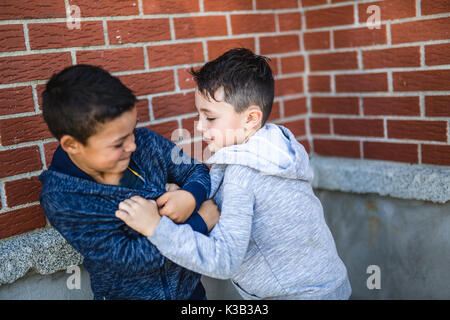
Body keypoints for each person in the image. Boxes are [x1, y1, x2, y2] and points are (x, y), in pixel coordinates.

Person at [115, 48, 352, 300]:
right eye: (199, 114)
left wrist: (156, 228)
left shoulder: (243, 172)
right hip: (326, 285)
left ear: (250, 118)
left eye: (210, 117)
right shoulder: (272, 146)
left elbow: (224, 259)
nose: (199, 126)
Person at [38, 64, 217, 300]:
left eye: (132, 130)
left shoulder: (146, 144)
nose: (132, 145)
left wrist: (190, 196)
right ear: (72, 145)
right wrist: (199, 221)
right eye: (118, 143)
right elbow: (131, 258)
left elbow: (196, 170)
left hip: (190, 290)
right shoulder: (63, 198)